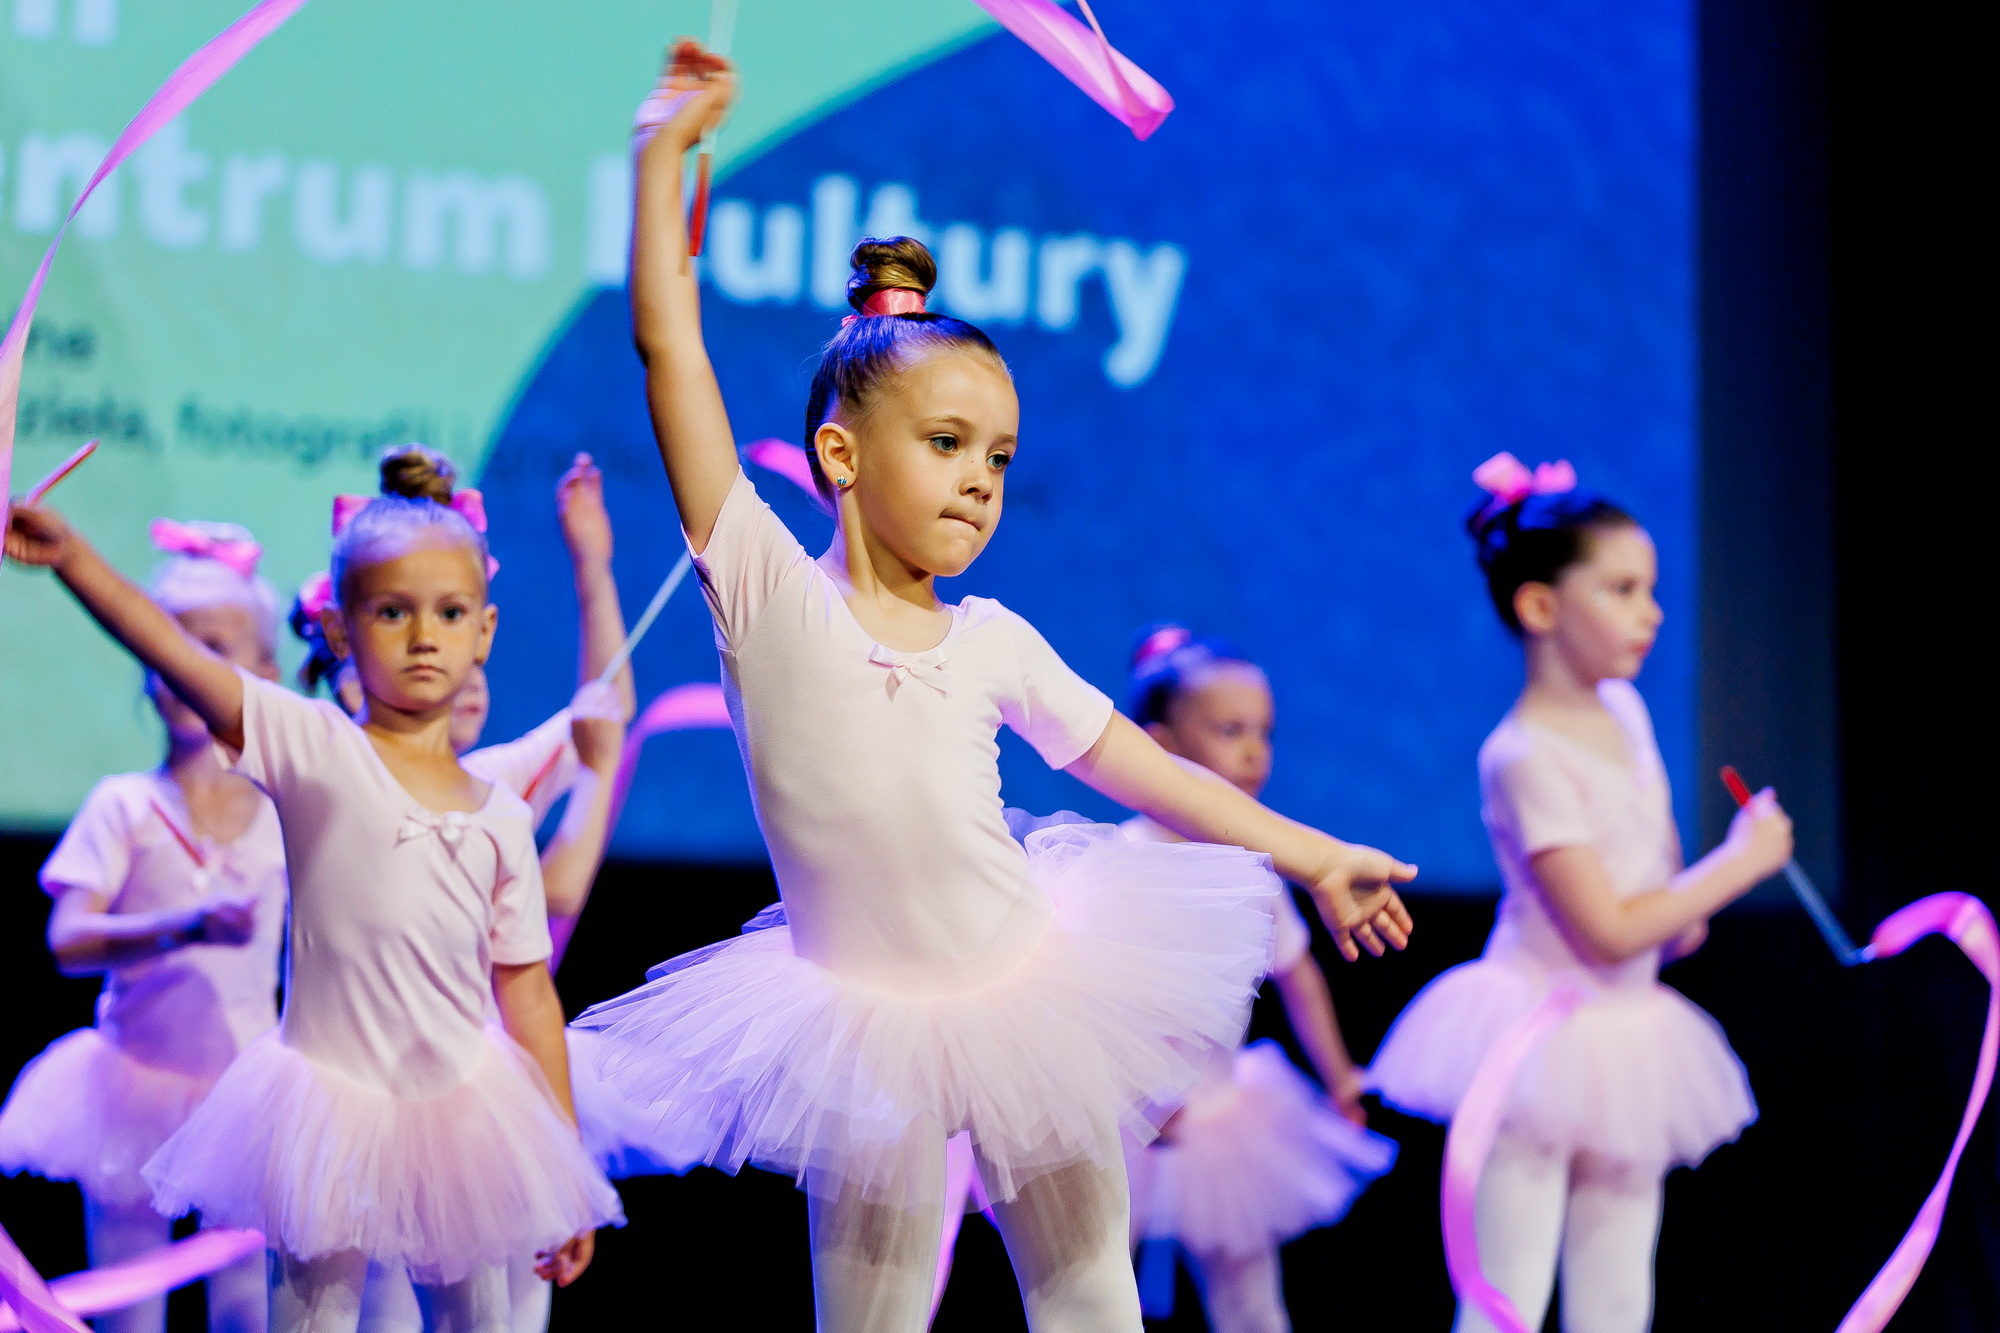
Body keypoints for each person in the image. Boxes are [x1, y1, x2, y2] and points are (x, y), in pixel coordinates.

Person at [574, 43, 1417, 1333]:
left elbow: (1150, 771)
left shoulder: (992, 637)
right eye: (947, 443)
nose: (980, 478)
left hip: (1028, 989)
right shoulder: (764, 591)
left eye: (1001, 456)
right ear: (839, 454)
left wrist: (1311, 854)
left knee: (1088, 1299)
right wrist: (658, 161)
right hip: (859, 1026)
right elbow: (666, 351)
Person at [6, 456, 623, 1333]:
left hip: (462, 1118)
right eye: (391, 611)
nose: (422, 636)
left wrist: (561, 1165)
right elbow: (173, 651)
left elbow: (526, 989)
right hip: (323, 1112)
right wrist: (71, 556)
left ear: (484, 631)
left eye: (449, 613)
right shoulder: (314, 749)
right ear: (339, 627)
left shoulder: (497, 816)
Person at [1368, 454, 1791, 1333]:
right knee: (1506, 1297)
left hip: (1631, 1041)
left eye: (1652, 588)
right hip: (1539, 1042)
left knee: (1617, 1295)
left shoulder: (1628, 713)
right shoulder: (1522, 755)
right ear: (1541, 607)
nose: (1654, 612)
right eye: (1626, 589)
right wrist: (1742, 864)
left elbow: (1659, 896)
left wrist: (1687, 911)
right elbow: (1605, 929)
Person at [337, 448, 634, 1333]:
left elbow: (603, 709)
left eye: (454, 618)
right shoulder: (335, 776)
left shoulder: (497, 792)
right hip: (364, 1098)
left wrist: (593, 565)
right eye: (398, 613)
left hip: (480, 1100)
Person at [0, 520, 287, 1333]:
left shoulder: (282, 809)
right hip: (129, 1089)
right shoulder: (125, 805)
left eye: (214, 645)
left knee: (246, 1312)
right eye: (169, 643)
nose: (185, 664)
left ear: (262, 672)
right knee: (129, 1312)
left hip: (246, 1099)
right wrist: (180, 924)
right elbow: (67, 939)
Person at [1119, 625, 1398, 1333]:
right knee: (1093, 1286)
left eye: (1263, 732)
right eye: (1229, 729)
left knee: (1249, 1302)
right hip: (1123, 1119)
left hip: (1218, 1120)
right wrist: (1141, 1093)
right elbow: (1102, 998)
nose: (1253, 751)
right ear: (1158, 744)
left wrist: (1338, 1076)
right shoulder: (1122, 863)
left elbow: (1299, 976)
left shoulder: (1253, 866)